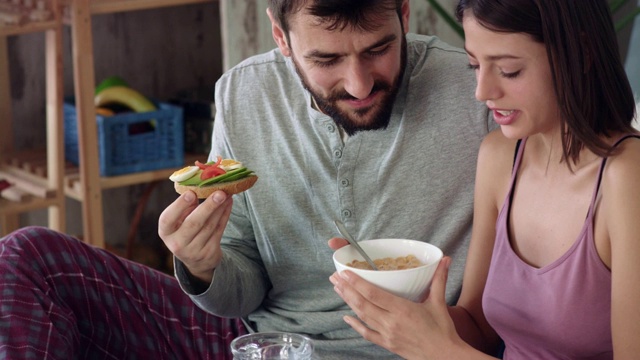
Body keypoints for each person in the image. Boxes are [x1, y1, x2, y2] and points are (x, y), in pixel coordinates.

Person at [0, 0, 492, 358]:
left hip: (415, 349)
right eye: (326, 60)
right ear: (281, 37)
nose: (359, 83)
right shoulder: (244, 91)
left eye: (379, 49)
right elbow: (243, 292)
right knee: (28, 255)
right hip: (260, 344)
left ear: (404, 15)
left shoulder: (478, 90)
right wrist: (201, 265)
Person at [329, 0, 640, 359]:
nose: (482, 92)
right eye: (475, 65)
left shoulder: (626, 177)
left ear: (581, 54)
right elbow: (478, 328)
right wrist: (395, 294)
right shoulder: (500, 157)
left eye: (508, 70)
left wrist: (439, 351)